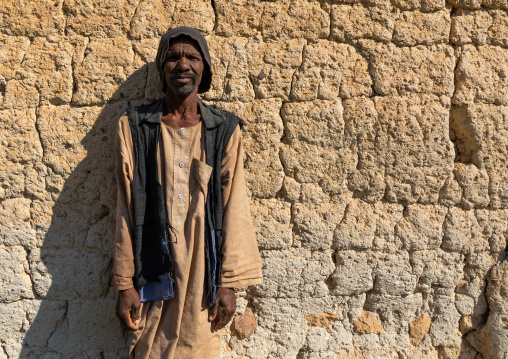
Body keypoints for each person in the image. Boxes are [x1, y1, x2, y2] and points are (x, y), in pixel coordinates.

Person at [113, 26, 263, 358]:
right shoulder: (133, 128)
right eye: (173, 57)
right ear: (161, 68)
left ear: (204, 68)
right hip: (151, 265)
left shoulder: (223, 130)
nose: (183, 65)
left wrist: (228, 283)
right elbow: (126, 208)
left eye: (192, 57)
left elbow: (234, 204)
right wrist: (124, 284)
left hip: (202, 271)